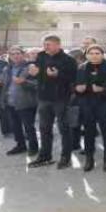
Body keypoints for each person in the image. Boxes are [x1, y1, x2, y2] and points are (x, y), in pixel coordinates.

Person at [27, 35, 78, 169]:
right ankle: (45, 156)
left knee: (64, 129)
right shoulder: (41, 56)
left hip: (61, 99)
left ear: (58, 45)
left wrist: (58, 75)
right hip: (44, 98)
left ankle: (65, 158)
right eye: (44, 44)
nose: (45, 47)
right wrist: (34, 72)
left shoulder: (69, 60)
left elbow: (73, 79)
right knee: (44, 129)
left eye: (48, 44)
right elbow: (39, 73)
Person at [74, 45, 106, 172]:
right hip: (87, 103)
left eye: (97, 53)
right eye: (91, 53)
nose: (94, 55)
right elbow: (75, 85)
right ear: (87, 55)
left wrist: (103, 89)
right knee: (89, 132)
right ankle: (89, 159)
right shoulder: (82, 68)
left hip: (105, 104)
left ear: (102, 54)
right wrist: (78, 89)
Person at [1, 46, 39, 156]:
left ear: (23, 54)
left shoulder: (30, 67)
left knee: (28, 127)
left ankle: (33, 147)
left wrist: (23, 82)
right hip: (10, 102)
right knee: (15, 126)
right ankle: (20, 145)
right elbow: (5, 84)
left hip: (26, 103)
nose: (15, 56)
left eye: (18, 53)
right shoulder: (7, 68)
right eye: (12, 54)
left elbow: (37, 85)